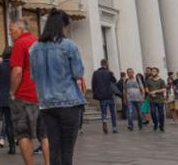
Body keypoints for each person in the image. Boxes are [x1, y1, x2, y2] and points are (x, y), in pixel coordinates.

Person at [29, 10, 86, 165]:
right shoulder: (68, 45)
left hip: (46, 103)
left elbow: (34, 76)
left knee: (54, 147)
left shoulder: (34, 48)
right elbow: (78, 72)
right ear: (64, 25)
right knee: (67, 149)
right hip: (68, 102)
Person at [9, 19, 50, 165]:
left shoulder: (20, 44)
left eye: (11, 30)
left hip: (24, 96)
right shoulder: (40, 43)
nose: (10, 33)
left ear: (20, 29)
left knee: (23, 134)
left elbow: (17, 71)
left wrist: (12, 91)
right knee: (44, 135)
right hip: (42, 95)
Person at [0, 47, 15, 155]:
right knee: (17, 121)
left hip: (2, 98)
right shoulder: (15, 67)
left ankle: (11, 146)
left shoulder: (0, 67)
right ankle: (18, 141)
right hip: (15, 96)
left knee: (7, 122)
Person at [91, 59, 118, 134]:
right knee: (112, 112)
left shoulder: (96, 73)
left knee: (103, 111)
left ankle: (104, 120)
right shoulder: (109, 72)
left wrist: (95, 93)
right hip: (109, 94)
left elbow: (93, 84)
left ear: (100, 64)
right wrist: (110, 73)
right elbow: (114, 81)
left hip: (101, 96)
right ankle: (114, 128)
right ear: (107, 64)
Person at [146, 67, 166, 132]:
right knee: (153, 112)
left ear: (157, 72)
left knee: (161, 113)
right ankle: (155, 123)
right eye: (152, 71)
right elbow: (147, 89)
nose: (153, 72)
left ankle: (161, 125)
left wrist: (155, 91)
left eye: (154, 71)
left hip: (160, 99)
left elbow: (164, 89)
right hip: (152, 100)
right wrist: (150, 93)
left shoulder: (161, 80)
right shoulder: (148, 81)